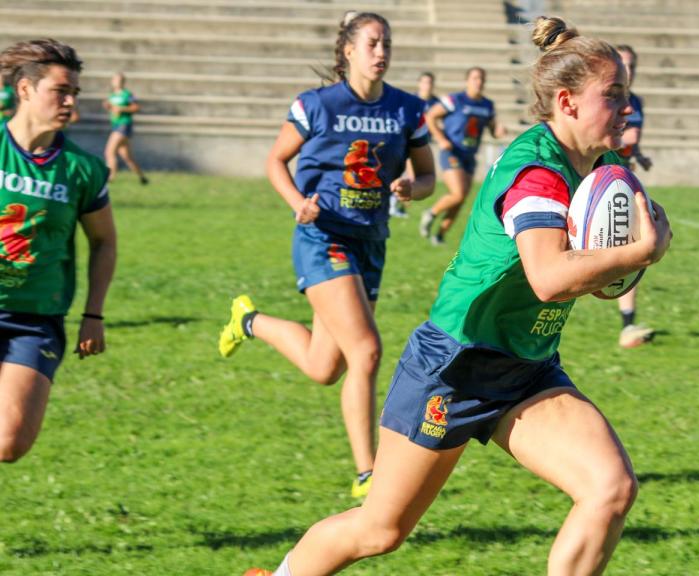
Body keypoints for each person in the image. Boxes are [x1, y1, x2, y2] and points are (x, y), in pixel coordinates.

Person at [244, 15, 672, 576]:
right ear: (567, 102)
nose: (627, 107)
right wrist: (639, 252)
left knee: (610, 489)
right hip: (453, 365)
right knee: (380, 530)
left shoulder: (602, 166)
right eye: (613, 96)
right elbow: (548, 276)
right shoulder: (535, 173)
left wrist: (626, 257)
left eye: (627, 95)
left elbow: (593, 271)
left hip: (526, 369)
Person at [218, 11, 435, 499]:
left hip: (370, 239)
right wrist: (299, 204)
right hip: (323, 237)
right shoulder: (315, 105)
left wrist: (410, 187)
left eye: (387, 44)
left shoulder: (406, 109)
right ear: (349, 51)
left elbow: (428, 179)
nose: (382, 52)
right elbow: (275, 160)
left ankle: (248, 320)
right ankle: (368, 473)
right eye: (373, 43)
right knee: (367, 350)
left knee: (325, 366)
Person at [0, 39, 117, 463]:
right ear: (26, 90)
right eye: (60, 91)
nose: (70, 101)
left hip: (35, 318)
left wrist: (93, 314)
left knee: (9, 442)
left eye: (74, 93)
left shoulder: (82, 169)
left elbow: (104, 241)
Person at [418, 66, 506, 245]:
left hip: (469, 156)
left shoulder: (487, 105)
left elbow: (493, 130)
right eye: (475, 78)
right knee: (457, 194)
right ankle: (431, 213)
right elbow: (430, 116)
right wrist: (441, 139)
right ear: (467, 81)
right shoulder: (455, 100)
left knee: (461, 199)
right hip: (452, 152)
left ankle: (440, 234)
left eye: (481, 79)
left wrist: (498, 130)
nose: (478, 82)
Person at [613, 45, 655, 349]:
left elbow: (632, 139)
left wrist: (638, 154)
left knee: (634, 250)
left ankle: (628, 326)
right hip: (597, 181)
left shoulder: (636, 101)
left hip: (623, 180)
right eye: (623, 64)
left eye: (633, 65)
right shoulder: (603, 97)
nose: (630, 71)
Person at [390, 71, 438, 218]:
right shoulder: (411, 101)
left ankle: (396, 204)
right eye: (424, 82)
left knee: (413, 179)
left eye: (429, 83)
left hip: (424, 145)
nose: (427, 86)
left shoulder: (436, 102)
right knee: (412, 178)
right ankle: (393, 204)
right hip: (411, 144)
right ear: (419, 84)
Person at [102, 72, 147, 185]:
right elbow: (112, 108)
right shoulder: (112, 95)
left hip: (124, 125)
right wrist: (108, 106)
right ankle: (142, 177)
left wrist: (122, 109)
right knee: (127, 157)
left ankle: (110, 178)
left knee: (109, 151)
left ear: (123, 81)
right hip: (116, 125)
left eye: (119, 80)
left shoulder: (127, 94)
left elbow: (136, 107)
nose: (117, 82)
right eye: (115, 79)